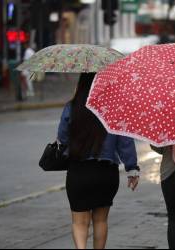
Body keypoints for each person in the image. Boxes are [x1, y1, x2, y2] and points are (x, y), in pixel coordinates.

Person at [57, 73, 140, 249]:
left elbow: (62, 138)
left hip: (79, 172)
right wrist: (132, 169)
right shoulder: (113, 108)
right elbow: (125, 141)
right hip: (106, 172)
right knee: (101, 220)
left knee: (79, 222)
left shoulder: (72, 107)